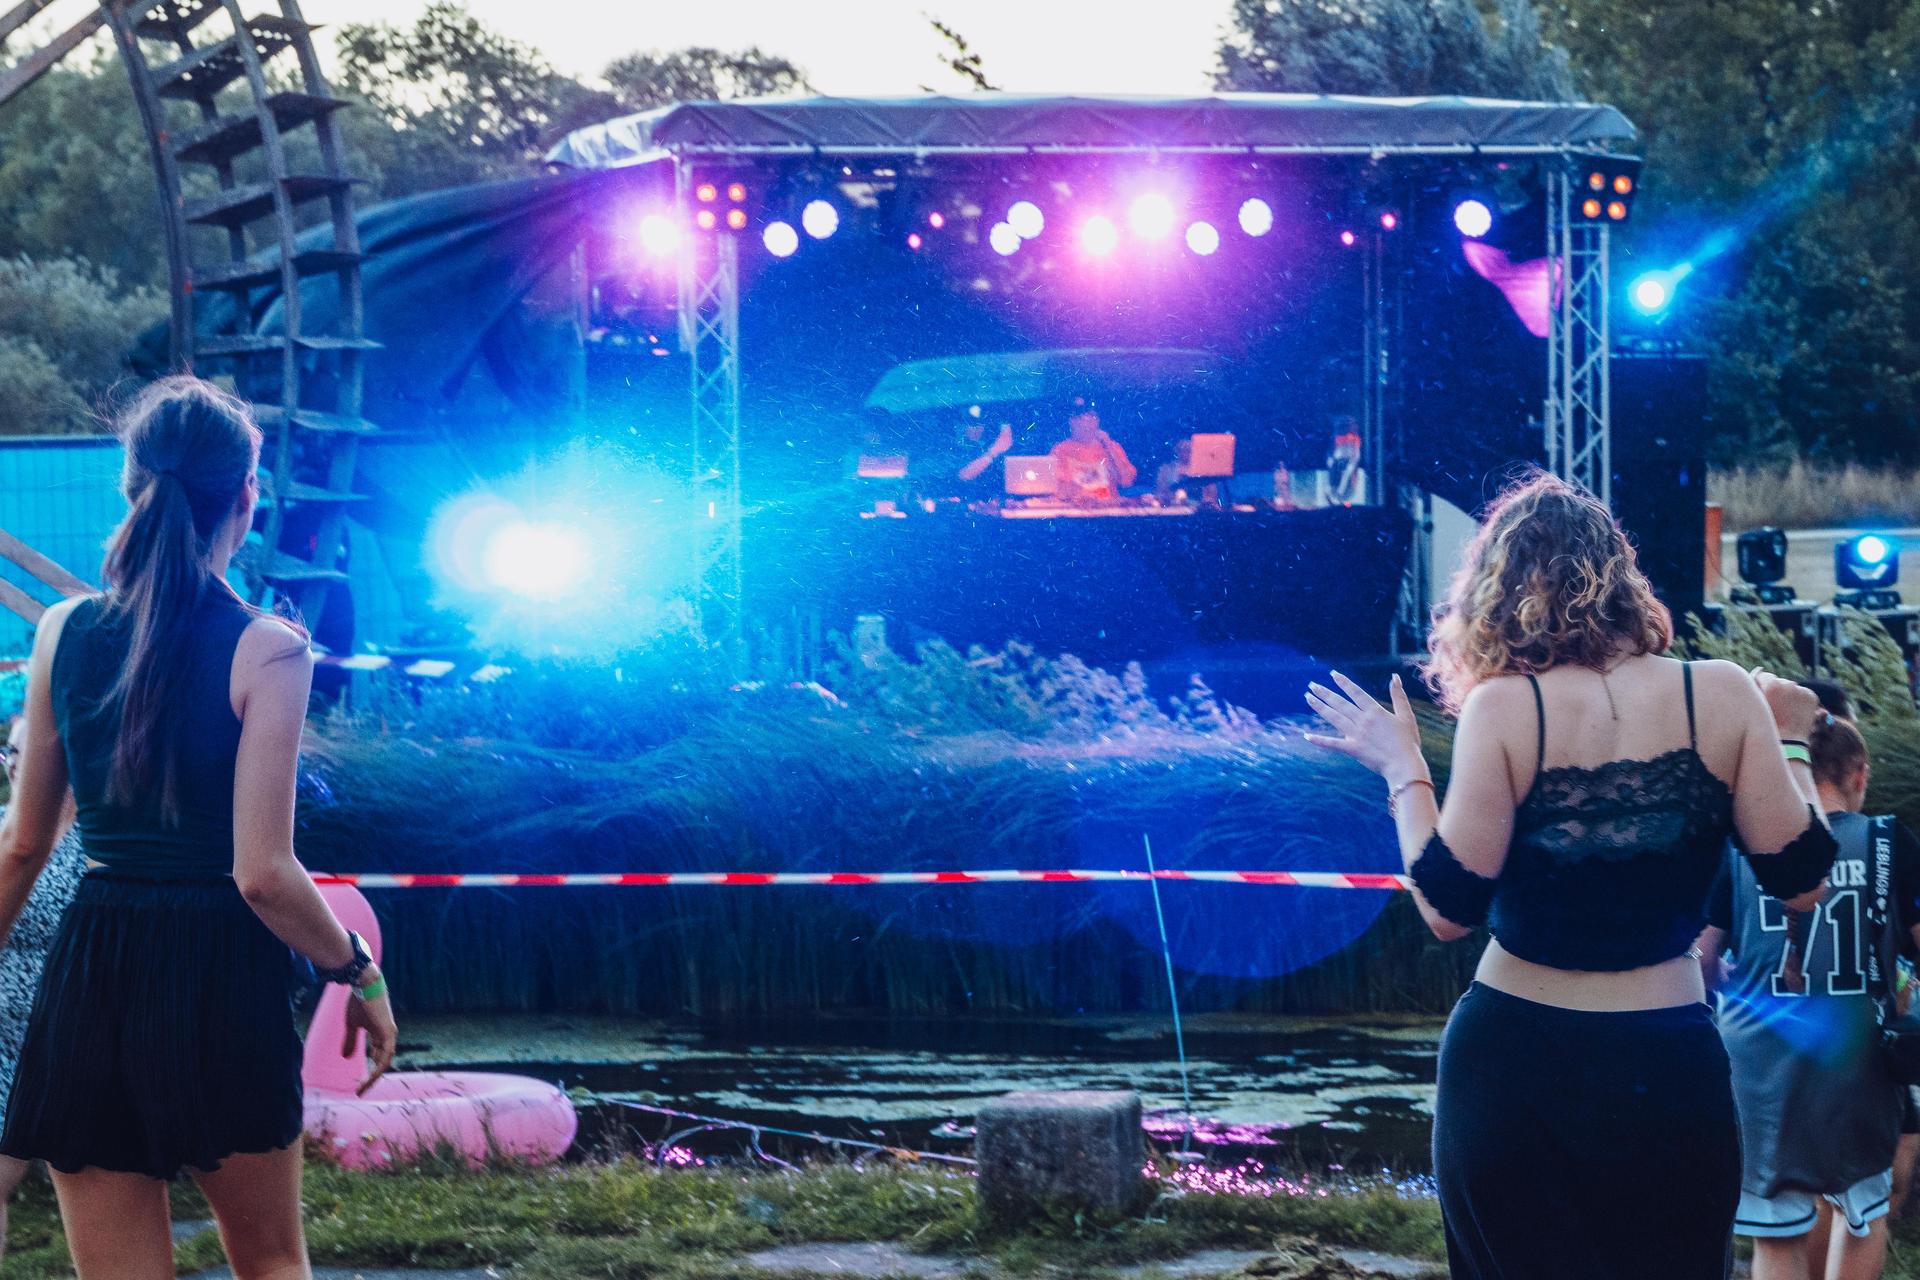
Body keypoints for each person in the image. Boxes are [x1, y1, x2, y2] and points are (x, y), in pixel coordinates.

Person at [1304, 471, 1836, 1279]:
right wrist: (1793, 743)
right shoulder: (1725, 696)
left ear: (1497, 594)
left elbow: (1448, 907)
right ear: (1622, 576)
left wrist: (1402, 765)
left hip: (1516, 1064)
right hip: (1669, 1069)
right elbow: (1803, 881)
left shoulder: (1506, 707)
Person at [0, 376, 397, 1277]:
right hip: (219, 971)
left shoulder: (61, 633)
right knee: (269, 1264)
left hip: (93, 963)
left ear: (130, 488)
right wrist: (359, 974)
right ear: (248, 497)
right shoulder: (272, 648)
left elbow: (26, 844)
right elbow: (262, 873)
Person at [1699, 711, 1920, 1280]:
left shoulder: (1739, 845)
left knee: (1776, 1232)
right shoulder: (1889, 840)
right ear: (1859, 775)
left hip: (1760, 1063)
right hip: (1858, 1056)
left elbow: (1700, 961)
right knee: (1864, 1215)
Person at [0, 713, 83, 1264]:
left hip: (76, 1025)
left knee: (97, 1182)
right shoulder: (5, 832)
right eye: (7, 750)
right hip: (2, 1029)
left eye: (23, 752)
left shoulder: (102, 840)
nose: (10, 763)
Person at [1047, 394, 1135, 503]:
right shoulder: (1060, 450)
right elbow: (1055, 486)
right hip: (1075, 510)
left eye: (1091, 417)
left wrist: (1109, 448)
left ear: (1097, 421)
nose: (1085, 422)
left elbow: (1127, 482)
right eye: (1079, 418)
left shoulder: (1112, 447)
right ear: (1071, 422)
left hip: (1109, 509)